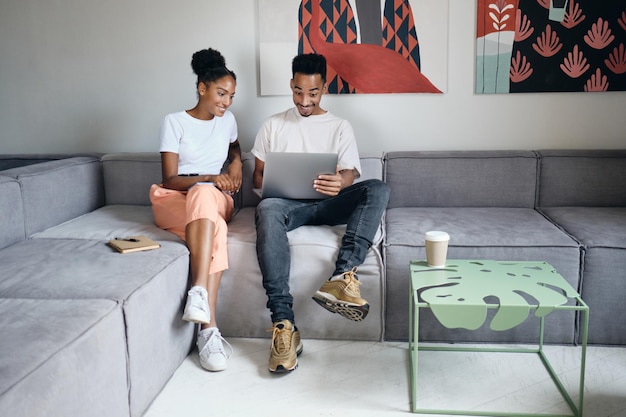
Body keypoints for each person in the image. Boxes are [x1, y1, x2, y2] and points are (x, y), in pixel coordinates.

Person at [251, 53, 390, 373]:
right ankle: (284, 324)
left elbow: (351, 174)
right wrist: (273, 180)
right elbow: (257, 177)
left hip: (328, 203)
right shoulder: (273, 124)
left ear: (323, 88)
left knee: (378, 188)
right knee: (267, 207)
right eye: (298, 91)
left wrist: (338, 181)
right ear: (291, 85)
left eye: (312, 93)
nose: (304, 100)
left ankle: (342, 278)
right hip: (287, 206)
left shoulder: (340, 126)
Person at [149, 48, 242, 372]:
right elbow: (170, 178)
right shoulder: (174, 122)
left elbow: (234, 147)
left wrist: (235, 164)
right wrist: (208, 177)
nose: (227, 102)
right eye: (221, 93)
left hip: (214, 197)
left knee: (206, 200)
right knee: (212, 221)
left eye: (231, 96)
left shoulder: (228, 121)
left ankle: (200, 302)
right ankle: (209, 332)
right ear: (202, 87)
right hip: (174, 199)